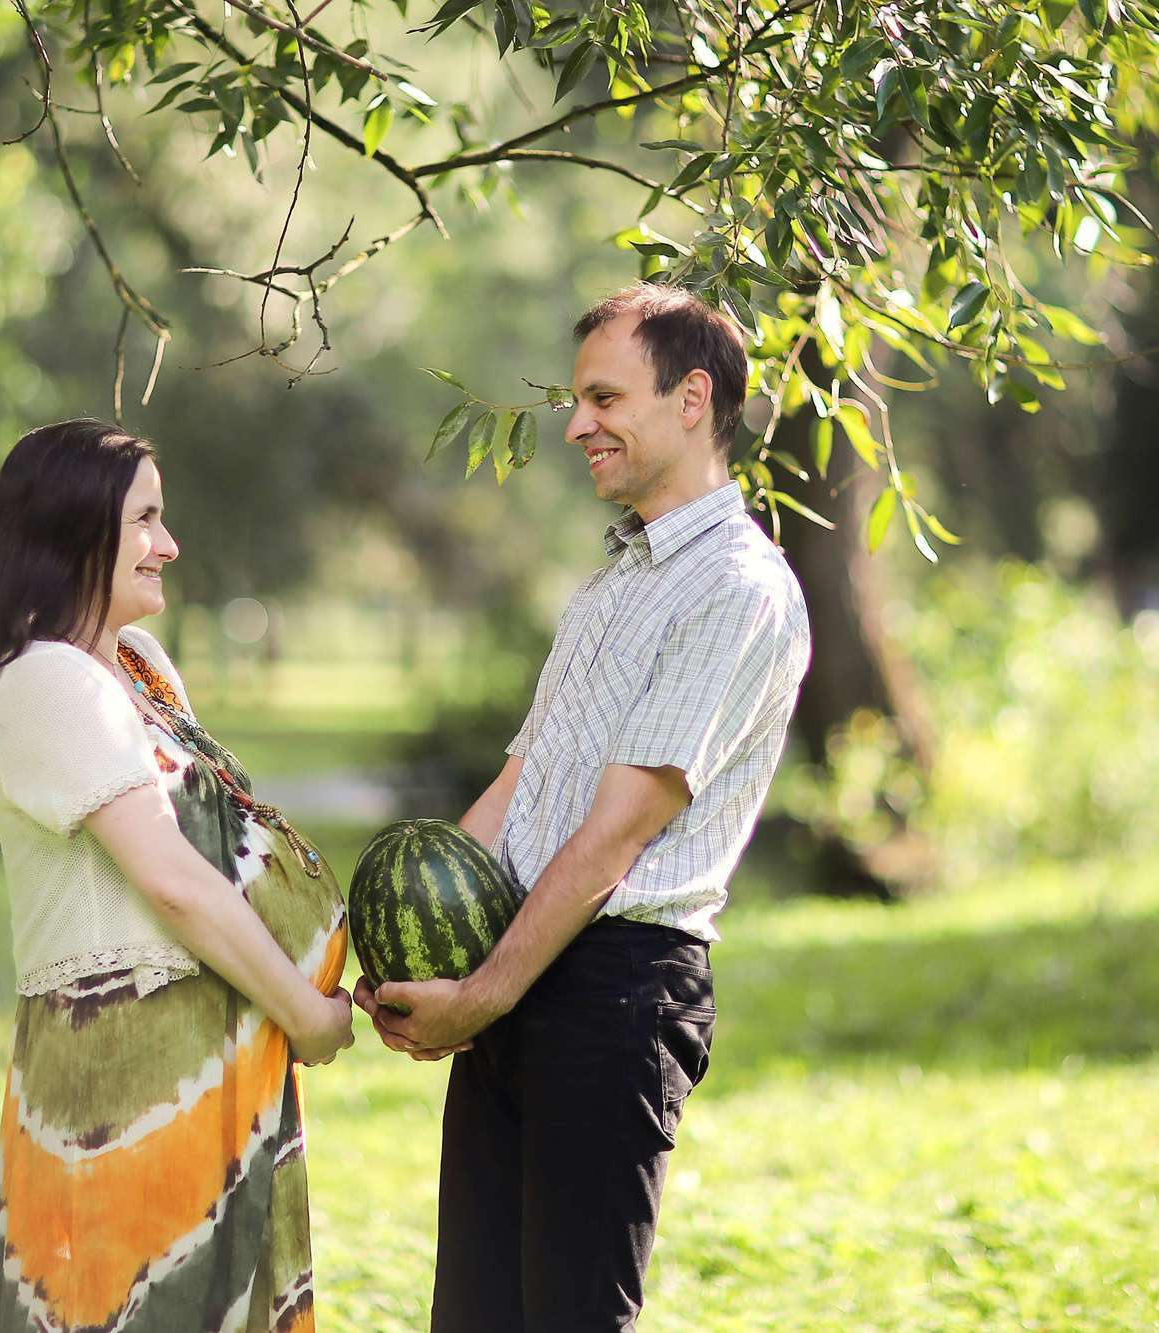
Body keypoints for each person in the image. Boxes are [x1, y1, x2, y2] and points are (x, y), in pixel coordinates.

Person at [357, 284, 812, 1332]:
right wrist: (393, 954)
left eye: (604, 399)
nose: (576, 426)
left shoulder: (736, 588)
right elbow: (517, 787)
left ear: (691, 399)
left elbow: (614, 838)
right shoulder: (612, 585)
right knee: (473, 1316)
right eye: (577, 401)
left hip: (615, 992)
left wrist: (479, 995)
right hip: (521, 968)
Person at [0, 419, 353, 1333]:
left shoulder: (137, 665)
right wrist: (302, 1010)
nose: (167, 545)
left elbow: (218, 848)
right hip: (126, 1080)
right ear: (70, 529)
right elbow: (172, 879)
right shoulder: (46, 681)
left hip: (210, 1055)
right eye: (144, 519)